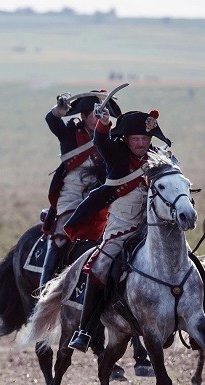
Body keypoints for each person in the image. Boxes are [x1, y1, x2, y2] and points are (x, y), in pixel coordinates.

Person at [64, 109, 171, 352]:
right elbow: (101, 141)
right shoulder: (116, 154)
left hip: (152, 229)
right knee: (99, 266)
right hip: (121, 229)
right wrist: (103, 123)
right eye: (135, 139)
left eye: (145, 138)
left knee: (186, 261)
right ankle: (84, 330)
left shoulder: (159, 158)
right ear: (126, 139)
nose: (141, 143)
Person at [39, 91, 120, 288]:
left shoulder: (112, 137)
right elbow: (52, 121)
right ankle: (44, 290)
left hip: (101, 196)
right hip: (72, 193)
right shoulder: (70, 132)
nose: (98, 116)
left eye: (102, 112)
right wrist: (59, 111)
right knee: (60, 238)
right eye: (94, 113)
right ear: (83, 115)